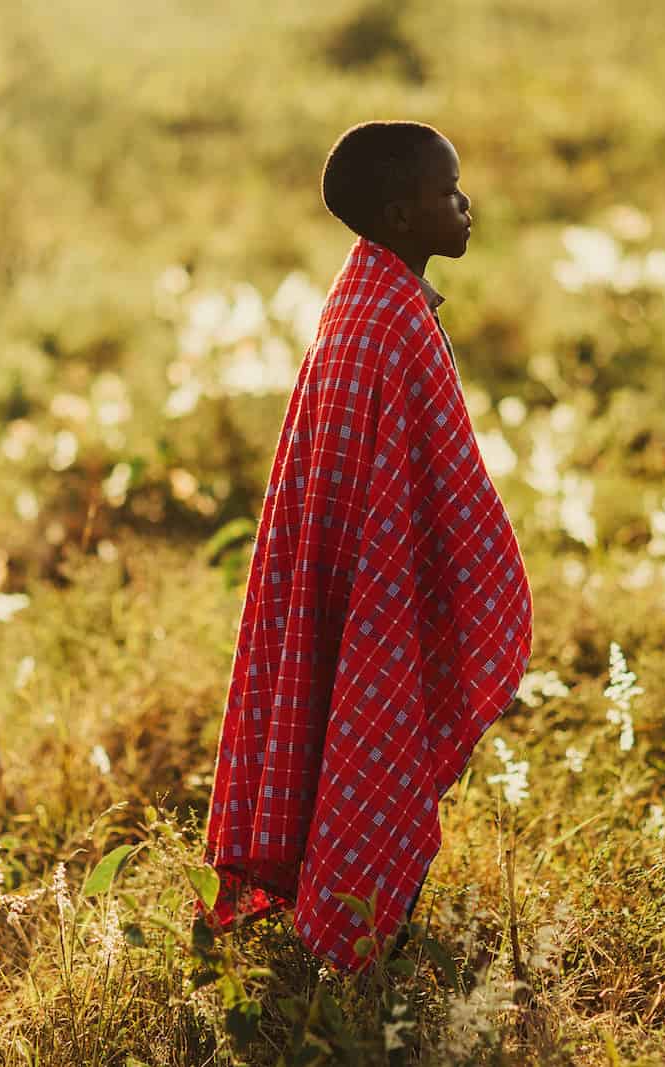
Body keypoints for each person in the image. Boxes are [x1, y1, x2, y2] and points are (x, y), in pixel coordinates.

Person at [196, 120, 534, 986]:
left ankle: (352, 941)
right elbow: (441, 483)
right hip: (377, 587)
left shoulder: (363, 297)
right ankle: (359, 960)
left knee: (357, 736)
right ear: (400, 214)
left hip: (355, 572)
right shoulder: (393, 321)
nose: (466, 207)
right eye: (448, 194)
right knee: (379, 734)